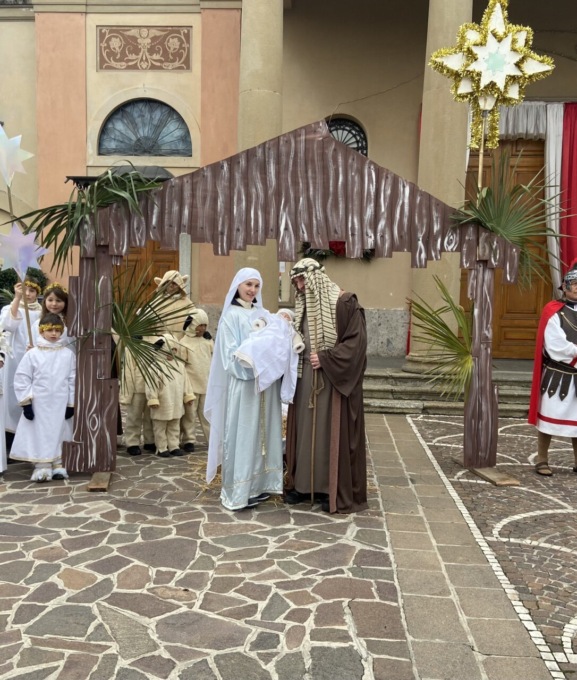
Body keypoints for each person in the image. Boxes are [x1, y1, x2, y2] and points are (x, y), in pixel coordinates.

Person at [284, 257, 368, 514]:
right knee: (304, 431)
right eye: (296, 281)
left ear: (315, 278)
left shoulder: (345, 302)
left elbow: (356, 344)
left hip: (332, 381)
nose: (299, 286)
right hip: (305, 379)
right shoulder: (303, 305)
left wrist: (326, 358)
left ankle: (328, 488)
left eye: (302, 280)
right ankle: (302, 486)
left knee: (327, 433)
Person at [204, 268, 283, 511]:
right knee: (244, 435)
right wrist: (255, 367)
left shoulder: (263, 314)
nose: (252, 290)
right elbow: (230, 355)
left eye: (257, 286)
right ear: (238, 285)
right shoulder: (231, 316)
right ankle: (238, 491)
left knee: (263, 435)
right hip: (245, 385)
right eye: (248, 284)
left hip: (266, 385)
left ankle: (259, 485)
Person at [9, 313, 75, 482]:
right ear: (41, 331)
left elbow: (72, 379)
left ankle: (59, 463)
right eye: (50, 330)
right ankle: (42, 465)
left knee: (60, 430)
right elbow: (22, 378)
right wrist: (26, 402)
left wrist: (71, 403)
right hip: (40, 402)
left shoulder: (68, 354)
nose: (54, 333)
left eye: (57, 330)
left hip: (60, 401)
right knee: (40, 432)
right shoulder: (33, 354)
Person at [528, 263, 577, 476]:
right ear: (564, 287)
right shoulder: (554, 311)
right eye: (574, 283)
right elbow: (556, 346)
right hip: (558, 376)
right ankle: (542, 459)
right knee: (548, 419)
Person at [0, 279, 43, 452]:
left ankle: (31, 442)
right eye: (23, 290)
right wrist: (17, 299)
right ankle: (10, 444)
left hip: (34, 357)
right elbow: (8, 326)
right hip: (14, 359)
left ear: (37, 293)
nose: (27, 293)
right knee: (12, 397)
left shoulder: (41, 312)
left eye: (32, 290)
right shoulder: (9, 308)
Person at [233, 307, 304, 403]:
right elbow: (263, 320)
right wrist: (259, 324)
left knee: (275, 356)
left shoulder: (290, 328)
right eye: (282, 314)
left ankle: (257, 365)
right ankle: (245, 356)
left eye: (287, 316)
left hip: (280, 344)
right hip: (268, 336)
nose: (284, 317)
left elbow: (296, 339)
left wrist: (297, 345)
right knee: (256, 342)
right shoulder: (273, 319)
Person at [145, 334, 195, 458]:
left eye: (174, 350)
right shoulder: (155, 367)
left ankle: (174, 446)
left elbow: (186, 383)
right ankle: (161, 447)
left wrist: (188, 395)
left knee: (174, 426)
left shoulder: (179, 366)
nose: (172, 354)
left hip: (176, 402)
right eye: (169, 351)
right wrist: (153, 398)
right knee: (160, 427)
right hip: (162, 403)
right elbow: (151, 385)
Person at [179, 308, 213, 453]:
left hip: (206, 384)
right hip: (191, 386)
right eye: (200, 325)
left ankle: (212, 439)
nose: (203, 328)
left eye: (205, 325)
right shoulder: (184, 343)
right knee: (189, 415)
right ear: (192, 324)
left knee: (207, 415)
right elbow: (181, 365)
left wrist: (210, 340)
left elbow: (214, 356)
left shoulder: (207, 342)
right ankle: (188, 440)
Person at [152, 270, 196, 340]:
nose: (171, 285)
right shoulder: (157, 302)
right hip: (161, 343)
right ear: (164, 284)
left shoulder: (187, 303)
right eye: (168, 282)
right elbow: (148, 323)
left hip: (181, 343)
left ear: (179, 285)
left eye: (174, 283)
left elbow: (196, 320)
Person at [31, 283, 76, 351]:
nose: (54, 304)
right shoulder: (38, 323)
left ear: (65, 303)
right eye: (50, 300)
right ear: (45, 301)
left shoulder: (71, 323)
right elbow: (33, 342)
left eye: (58, 300)